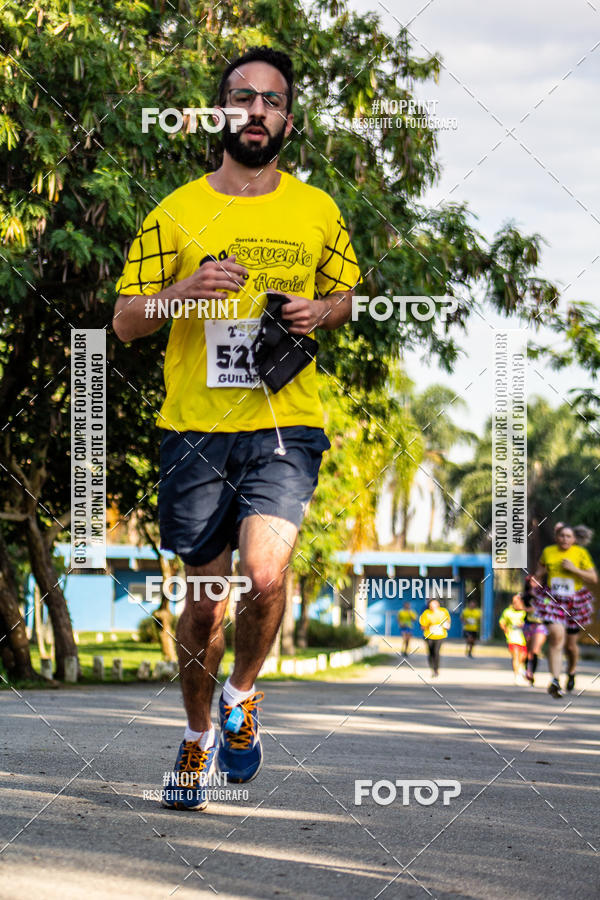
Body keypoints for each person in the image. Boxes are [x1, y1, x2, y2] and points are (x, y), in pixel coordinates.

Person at [113, 46, 361, 810]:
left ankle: (243, 695)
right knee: (204, 602)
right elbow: (124, 322)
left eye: (272, 100)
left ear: (289, 119)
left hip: (285, 423)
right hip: (195, 430)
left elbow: (345, 298)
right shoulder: (175, 210)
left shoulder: (317, 210)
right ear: (220, 112)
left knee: (265, 575)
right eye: (243, 97)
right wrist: (184, 290)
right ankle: (196, 738)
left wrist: (321, 310)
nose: (257, 110)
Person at [532, 524, 598, 698]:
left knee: (570, 646)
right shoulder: (548, 552)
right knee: (556, 636)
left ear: (574, 539)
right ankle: (555, 680)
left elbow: (593, 577)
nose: (565, 539)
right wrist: (537, 576)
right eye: (562, 536)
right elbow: (541, 569)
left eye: (568, 536)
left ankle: (571, 671)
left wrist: (574, 569)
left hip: (575, 602)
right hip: (553, 600)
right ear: (556, 538)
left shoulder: (580, 553)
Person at [521, 575, 547, 686]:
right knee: (528, 651)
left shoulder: (545, 594)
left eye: (537, 581)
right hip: (528, 625)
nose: (534, 583)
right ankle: (527, 669)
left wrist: (539, 601)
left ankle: (532, 673)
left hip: (540, 625)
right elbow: (519, 607)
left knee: (536, 650)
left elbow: (548, 604)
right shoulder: (525, 595)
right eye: (532, 581)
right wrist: (529, 608)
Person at [499, 594, 528, 686]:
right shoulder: (508, 612)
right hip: (512, 638)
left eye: (518, 601)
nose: (516, 603)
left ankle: (521, 669)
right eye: (514, 601)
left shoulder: (525, 612)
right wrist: (506, 630)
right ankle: (517, 676)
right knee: (516, 656)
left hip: (524, 638)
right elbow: (502, 622)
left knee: (523, 656)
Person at [419, 598, 451, 677]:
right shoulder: (426, 613)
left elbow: (448, 621)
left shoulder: (444, 611)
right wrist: (429, 625)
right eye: (431, 605)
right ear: (429, 606)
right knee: (431, 653)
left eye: (434, 604)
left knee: (436, 652)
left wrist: (446, 625)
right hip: (429, 636)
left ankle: (436, 669)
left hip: (440, 635)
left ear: (438, 604)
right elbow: (422, 626)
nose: (433, 606)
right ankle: (432, 667)